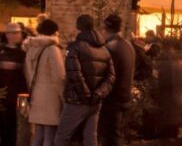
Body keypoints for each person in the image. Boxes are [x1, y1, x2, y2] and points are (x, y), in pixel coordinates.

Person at [54, 14, 115, 146]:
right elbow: (110, 77)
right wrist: (98, 94)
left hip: (77, 100)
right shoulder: (104, 50)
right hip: (96, 102)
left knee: (62, 137)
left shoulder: (75, 47)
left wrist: (86, 95)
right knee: (91, 137)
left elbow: (74, 74)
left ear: (78, 26)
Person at [0, 22, 28, 146]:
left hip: (19, 93)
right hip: (2, 92)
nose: (16, 36)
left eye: (18, 33)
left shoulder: (24, 51)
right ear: (8, 35)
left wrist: (17, 66)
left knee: (16, 123)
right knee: (4, 122)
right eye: (13, 33)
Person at [25, 19, 65, 146]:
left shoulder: (31, 48)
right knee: (49, 137)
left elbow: (28, 73)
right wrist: (64, 96)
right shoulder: (52, 49)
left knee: (38, 134)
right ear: (54, 32)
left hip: (36, 96)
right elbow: (59, 76)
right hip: (50, 98)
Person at [100, 14, 135, 146]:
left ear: (105, 29)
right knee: (116, 133)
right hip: (124, 96)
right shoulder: (128, 45)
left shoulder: (110, 47)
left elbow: (106, 74)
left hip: (112, 99)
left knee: (110, 135)